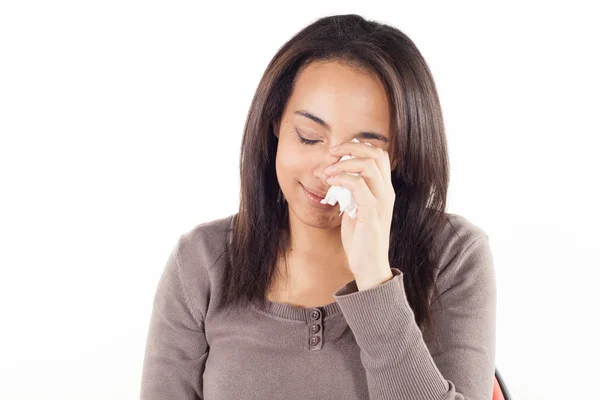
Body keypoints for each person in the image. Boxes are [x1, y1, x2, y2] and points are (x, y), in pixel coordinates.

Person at [140, 13, 496, 400]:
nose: (327, 173)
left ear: (398, 155)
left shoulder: (455, 256)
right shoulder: (201, 262)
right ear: (274, 123)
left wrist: (375, 279)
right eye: (309, 137)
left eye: (362, 151)